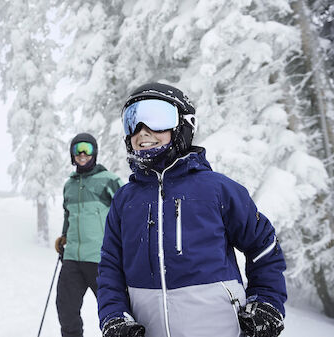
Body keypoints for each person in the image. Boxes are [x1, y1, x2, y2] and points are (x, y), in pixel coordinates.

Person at [97, 83, 287, 337]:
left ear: (184, 125)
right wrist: (113, 316)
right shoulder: (125, 200)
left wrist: (267, 301)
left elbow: (263, 245)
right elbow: (110, 267)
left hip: (220, 329)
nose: (142, 131)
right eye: (133, 121)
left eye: (156, 118)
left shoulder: (217, 189)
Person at [54, 133, 123, 337]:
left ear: (95, 152)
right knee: (65, 308)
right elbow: (68, 215)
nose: (82, 154)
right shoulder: (69, 185)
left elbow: (125, 214)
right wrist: (64, 237)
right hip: (72, 259)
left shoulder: (109, 181)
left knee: (113, 309)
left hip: (100, 258)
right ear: (72, 154)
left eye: (87, 149)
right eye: (77, 149)